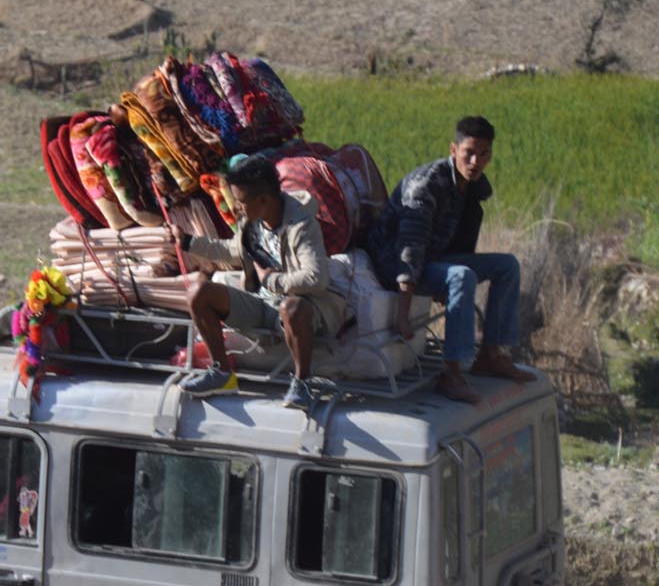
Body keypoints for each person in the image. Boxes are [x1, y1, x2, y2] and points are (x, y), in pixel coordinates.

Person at [364, 115, 535, 404]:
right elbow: (410, 250)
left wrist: (445, 277)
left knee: (507, 266)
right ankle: (451, 373)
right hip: (394, 264)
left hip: (435, 258)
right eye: (469, 153)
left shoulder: (472, 186)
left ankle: (490, 355)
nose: (475, 162)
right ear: (453, 150)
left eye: (484, 154)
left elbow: (462, 241)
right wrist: (402, 315)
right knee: (461, 276)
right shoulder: (426, 186)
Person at [177, 154, 349, 409]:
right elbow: (233, 250)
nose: (236, 207)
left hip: (303, 308)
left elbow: (316, 278)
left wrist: (272, 281)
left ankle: (302, 383)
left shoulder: (301, 225)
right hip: (262, 304)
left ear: (263, 200)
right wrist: (189, 242)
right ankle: (222, 374)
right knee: (198, 293)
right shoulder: (252, 222)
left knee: (292, 308)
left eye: (240, 201)